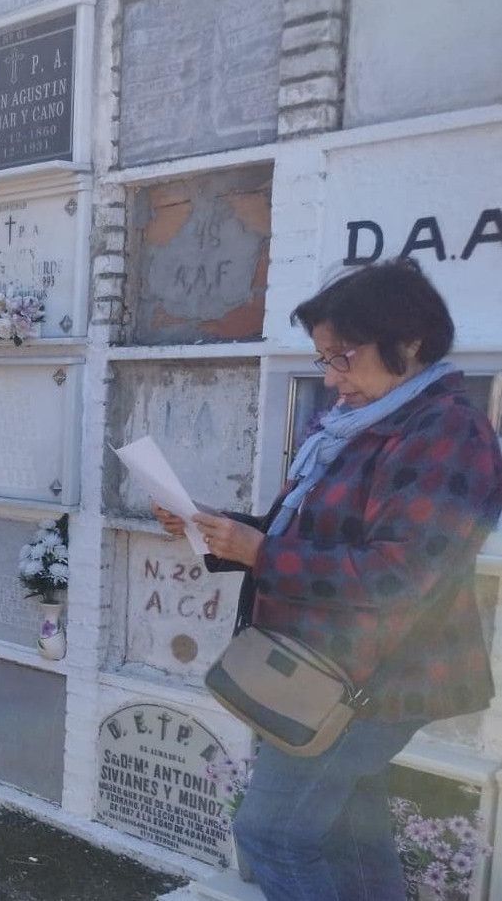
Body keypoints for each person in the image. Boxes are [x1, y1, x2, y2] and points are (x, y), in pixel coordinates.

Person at [153, 259, 502, 900]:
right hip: (329, 669)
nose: (333, 378)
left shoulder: (447, 431)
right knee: (352, 833)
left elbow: (399, 575)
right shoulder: (361, 425)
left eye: (343, 357)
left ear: (411, 341)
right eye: (324, 360)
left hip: (370, 681)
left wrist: (261, 553)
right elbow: (310, 536)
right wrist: (217, 531)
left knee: (273, 835)